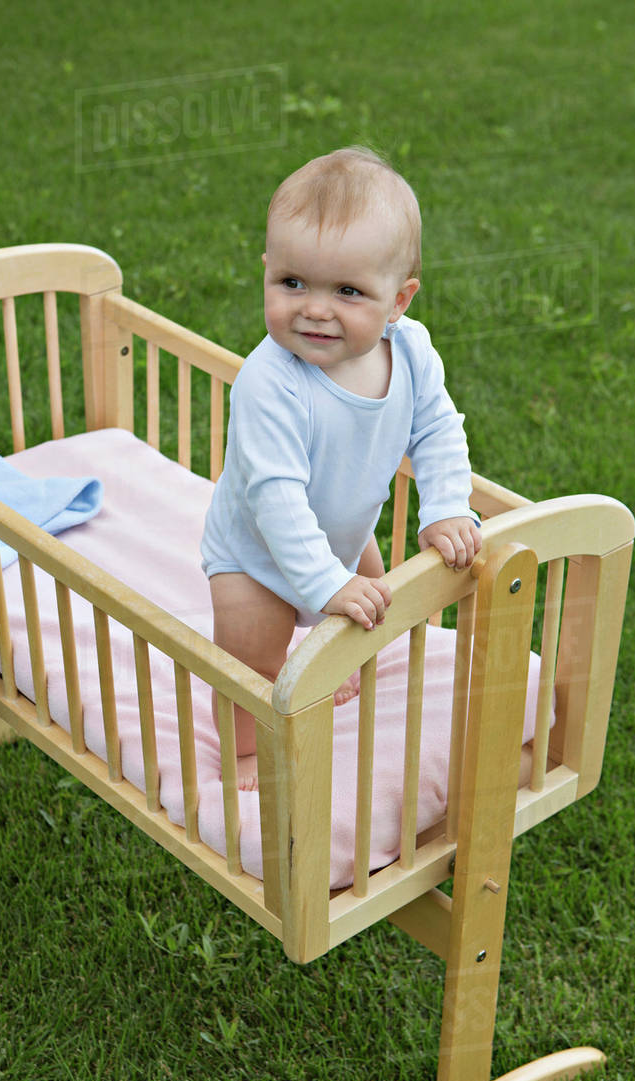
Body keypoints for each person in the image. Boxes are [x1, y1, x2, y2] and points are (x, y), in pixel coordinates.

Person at [201, 146, 481, 788]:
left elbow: (438, 428)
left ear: (398, 301)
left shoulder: (410, 353)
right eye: (292, 283)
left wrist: (444, 508)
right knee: (252, 661)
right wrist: (323, 583)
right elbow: (275, 499)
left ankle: (337, 662)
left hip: (344, 537)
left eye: (348, 291)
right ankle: (245, 750)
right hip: (257, 559)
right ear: (266, 271)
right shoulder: (270, 382)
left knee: (370, 609)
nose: (315, 308)